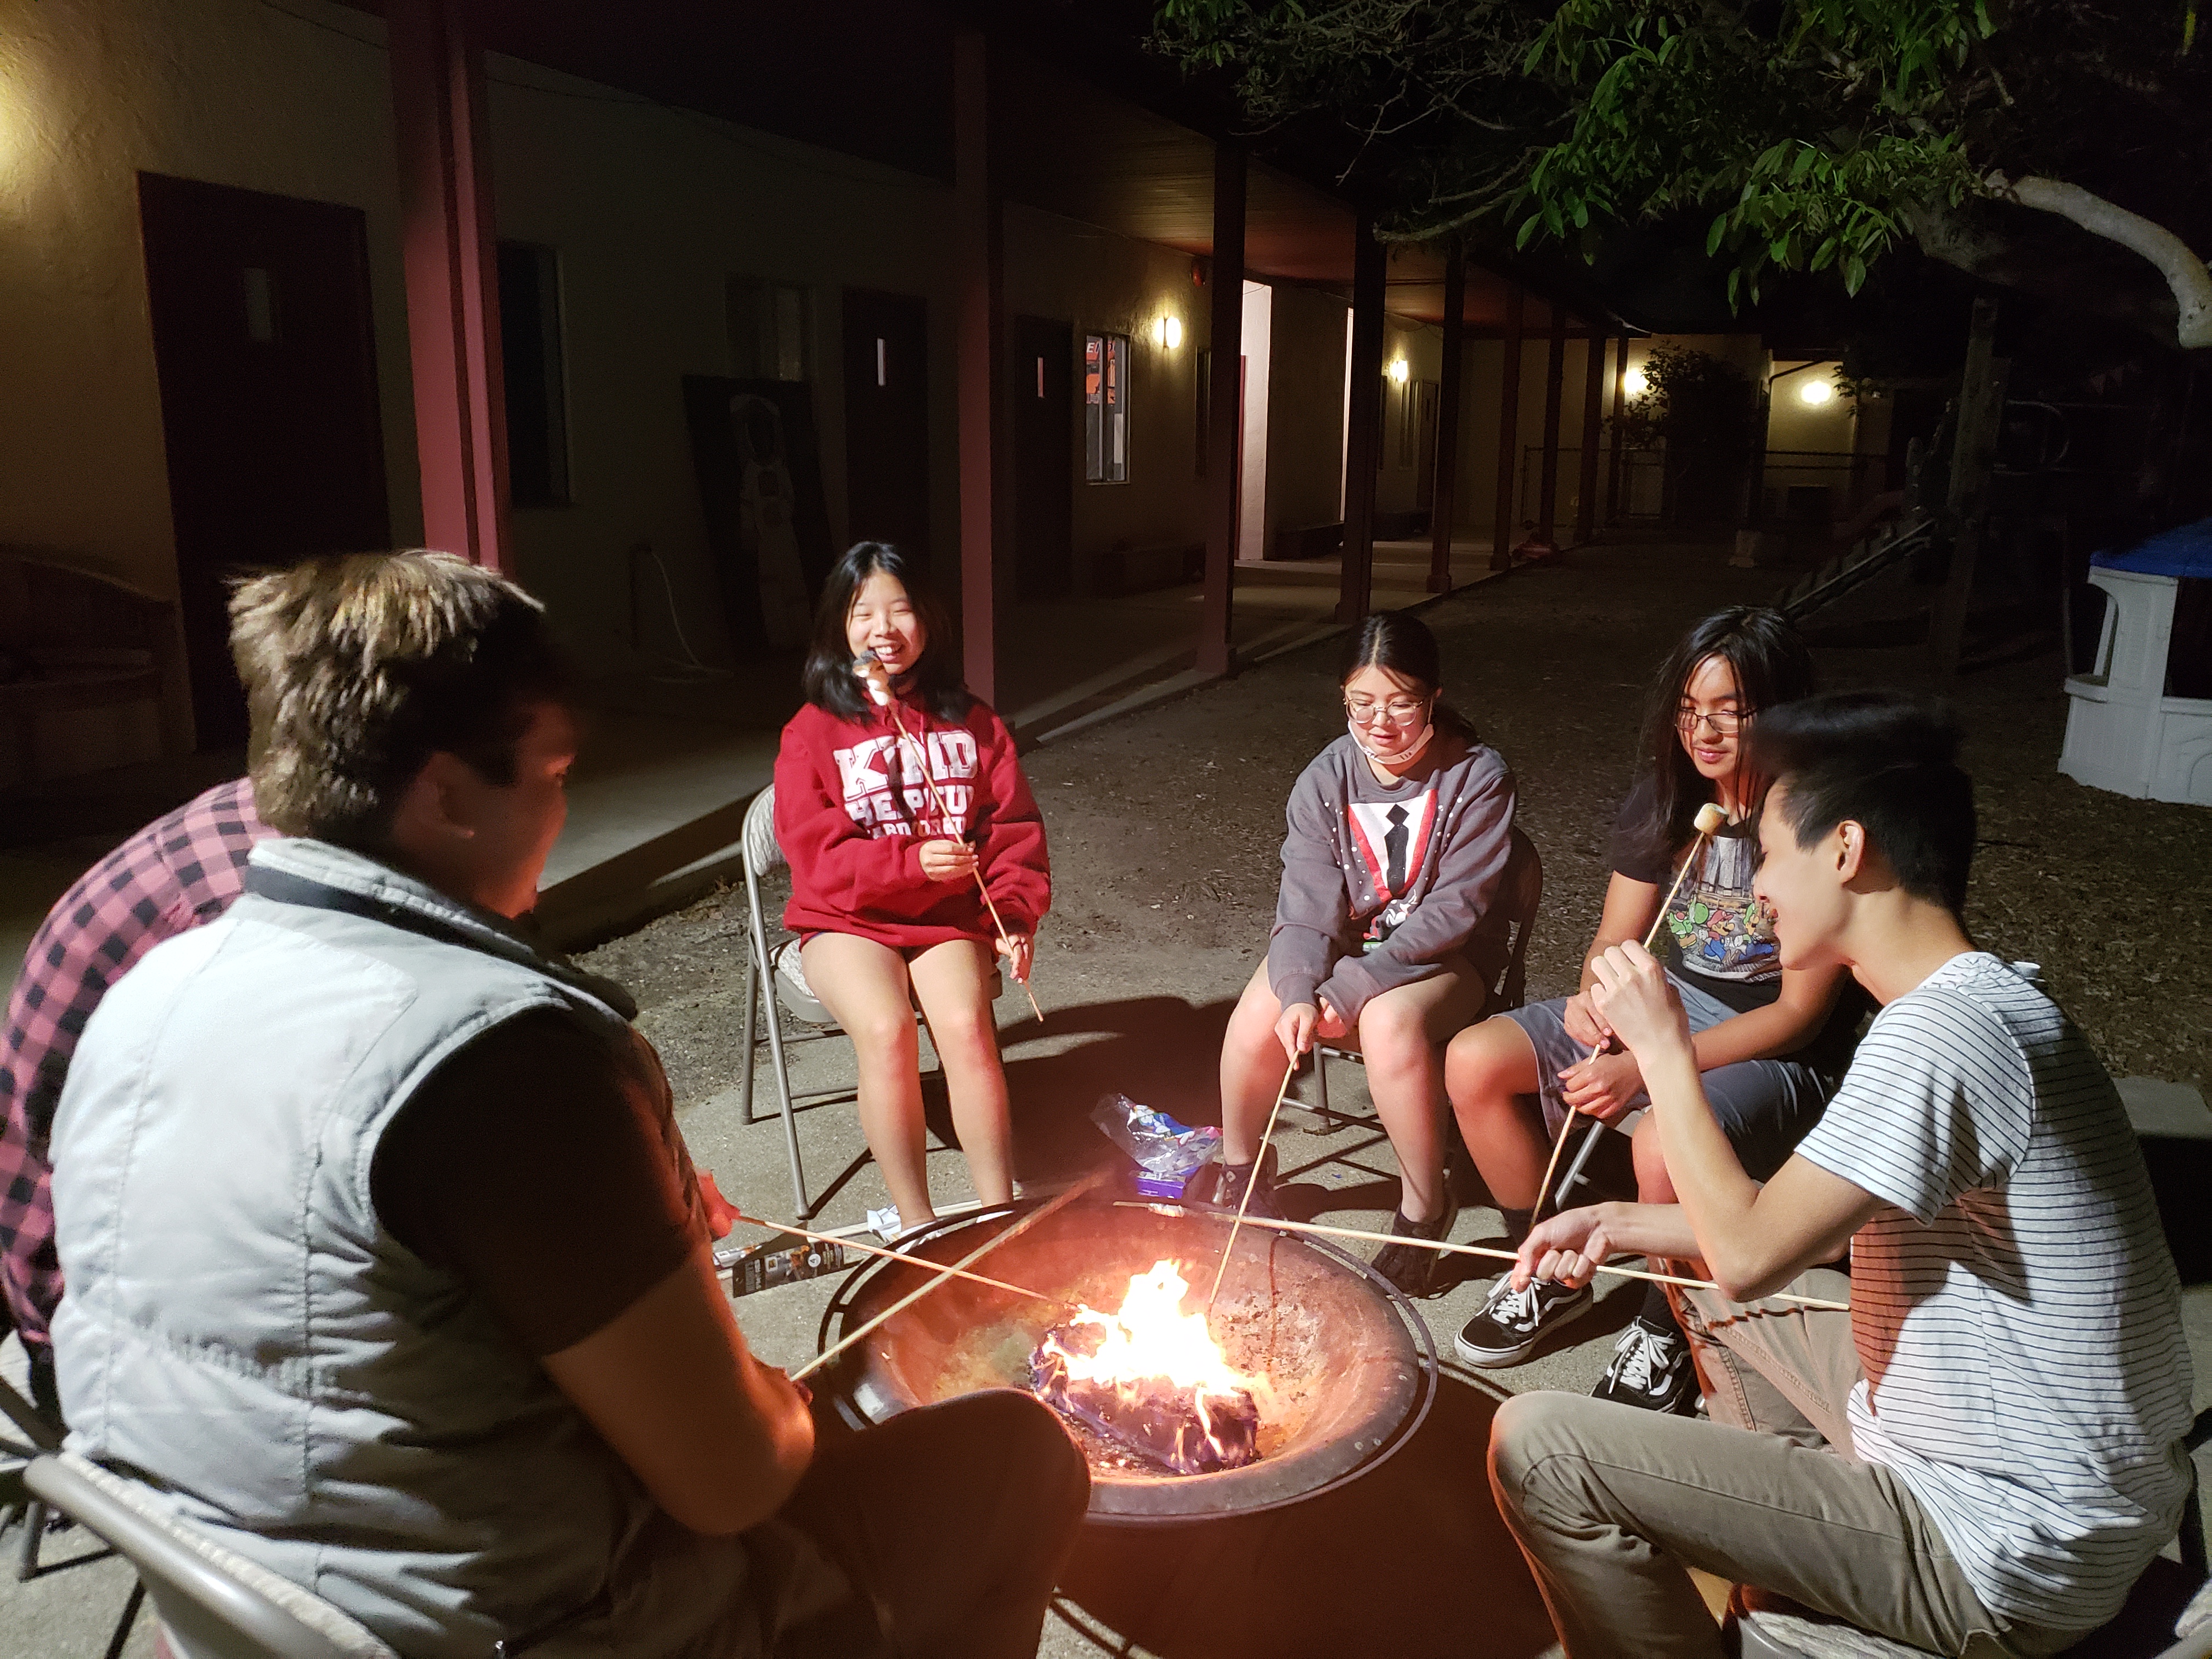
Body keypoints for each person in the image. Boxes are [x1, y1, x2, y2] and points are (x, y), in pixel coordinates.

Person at [48, 550, 1087, 1659]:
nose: (560, 812)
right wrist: (775, 1388)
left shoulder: (148, 995)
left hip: (238, 1615)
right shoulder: (505, 1060)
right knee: (1011, 1453)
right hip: (543, 1624)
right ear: (447, 792)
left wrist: (621, 1240)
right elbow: (734, 1478)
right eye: (550, 776)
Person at [1488, 692, 2192, 1659]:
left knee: (1541, 1449)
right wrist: (1616, 1221)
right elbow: (1789, 1235)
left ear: (1847, 849)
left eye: (1772, 854)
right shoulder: (1977, 1000)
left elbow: (1749, 1252)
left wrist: (1661, 1049)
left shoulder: (1941, 1034)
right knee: (1703, 1279)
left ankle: (1796, 1590)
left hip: (2001, 1538)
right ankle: (1790, 1555)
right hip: (2007, 1455)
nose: (1758, 888)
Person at [1447, 607, 1858, 1403]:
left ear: (1782, 712)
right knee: (1474, 1061)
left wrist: (1648, 1067)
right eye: (1689, 710)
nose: (1704, 732)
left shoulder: (1812, 820)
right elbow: (1614, 936)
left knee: (1663, 1143)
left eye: (1731, 710)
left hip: (1771, 1048)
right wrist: (1598, 996)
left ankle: (1667, 1323)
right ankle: (1547, 1263)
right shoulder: (1667, 799)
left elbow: (1799, 1017)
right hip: (1664, 1007)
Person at [1214, 611, 1517, 1295]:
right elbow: (1305, 904)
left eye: (1401, 703)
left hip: (1445, 958)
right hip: (1349, 945)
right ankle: (1242, 1172)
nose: (1381, 723)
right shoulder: (1326, 778)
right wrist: (1301, 990)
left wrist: (1351, 989)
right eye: (1362, 703)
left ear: (1433, 698)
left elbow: (1455, 911)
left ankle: (1423, 1209)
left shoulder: (1477, 776)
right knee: (1261, 1011)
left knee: (1386, 1022)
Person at [774, 541, 1049, 1239]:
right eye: (863, 613)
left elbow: (1011, 829)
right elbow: (815, 857)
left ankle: (998, 1217)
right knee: (887, 1029)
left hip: (945, 918)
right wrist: (909, 862)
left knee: (965, 1028)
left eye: (900, 609)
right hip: (846, 919)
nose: (883, 629)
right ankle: (917, 1224)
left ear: (928, 619)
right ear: (839, 626)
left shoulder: (974, 722)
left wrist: (1013, 915)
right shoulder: (811, 732)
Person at [2, 795, 273, 1417]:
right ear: (442, 793)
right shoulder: (248, 924)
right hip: (108, 1345)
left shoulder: (261, 821)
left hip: (117, 1267)